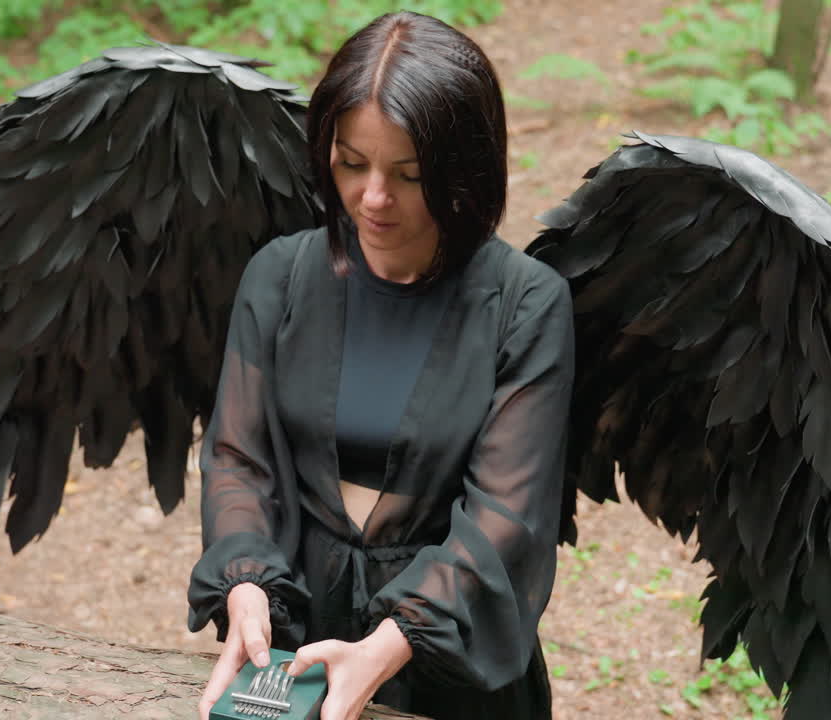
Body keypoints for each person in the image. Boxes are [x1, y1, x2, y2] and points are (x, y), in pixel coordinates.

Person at [188, 11, 576, 720]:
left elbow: (507, 516)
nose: (372, 198)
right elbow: (239, 459)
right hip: (297, 642)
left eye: (409, 173)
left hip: (448, 649)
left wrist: (396, 638)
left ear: (464, 168)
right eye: (351, 163)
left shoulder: (526, 305)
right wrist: (246, 582)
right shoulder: (278, 278)